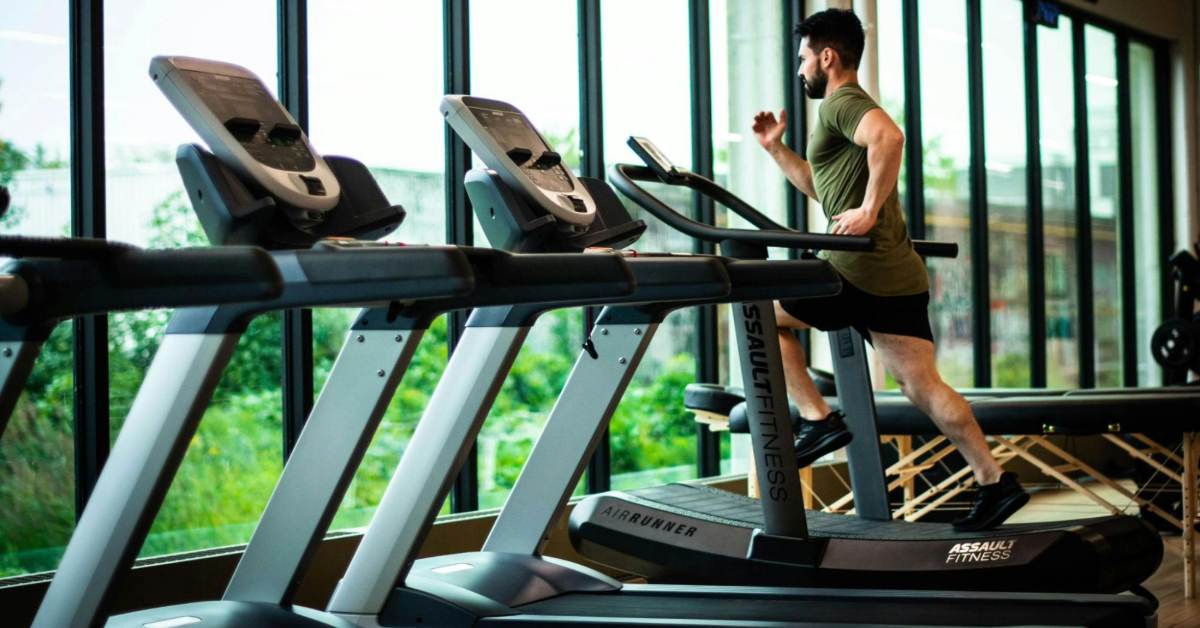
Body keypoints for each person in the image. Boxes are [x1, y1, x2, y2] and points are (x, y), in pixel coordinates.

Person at [751, 8, 1027, 531]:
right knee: (923, 386)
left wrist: (870, 211)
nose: (800, 69)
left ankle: (818, 420)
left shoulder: (843, 103)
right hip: (896, 274)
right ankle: (995, 481)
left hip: (853, 269)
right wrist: (776, 149)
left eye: (804, 58)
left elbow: (891, 139)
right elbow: (822, 187)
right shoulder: (842, 112)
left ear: (826, 57)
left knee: (758, 313)